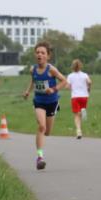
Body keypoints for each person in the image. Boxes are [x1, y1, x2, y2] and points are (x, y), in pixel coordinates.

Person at [21, 42, 69, 170]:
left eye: (43, 53)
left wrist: (53, 89)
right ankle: (40, 157)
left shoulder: (51, 70)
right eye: (37, 52)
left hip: (52, 102)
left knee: (47, 132)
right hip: (39, 102)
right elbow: (33, 81)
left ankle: (41, 153)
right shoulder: (33, 69)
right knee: (41, 126)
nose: (39, 55)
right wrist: (27, 91)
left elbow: (64, 81)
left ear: (48, 56)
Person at [67, 59, 91, 139]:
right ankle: (83, 111)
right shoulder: (84, 75)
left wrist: (70, 88)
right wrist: (88, 88)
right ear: (80, 66)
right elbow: (89, 82)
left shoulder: (70, 76)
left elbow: (67, 86)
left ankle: (78, 130)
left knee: (76, 115)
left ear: (72, 67)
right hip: (84, 96)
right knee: (80, 112)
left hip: (75, 97)